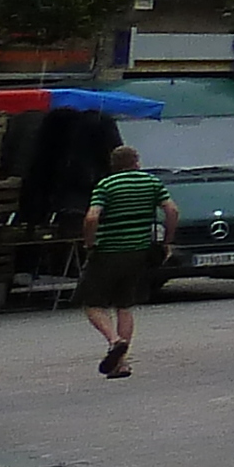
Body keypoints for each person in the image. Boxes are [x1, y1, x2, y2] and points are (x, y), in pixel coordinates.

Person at [80, 144, 176, 380]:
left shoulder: (106, 185)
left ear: (113, 164)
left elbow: (92, 217)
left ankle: (114, 341)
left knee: (91, 303)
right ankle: (120, 364)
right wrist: (167, 241)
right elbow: (171, 210)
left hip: (107, 252)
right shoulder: (152, 183)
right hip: (138, 252)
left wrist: (89, 242)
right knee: (124, 305)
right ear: (136, 162)